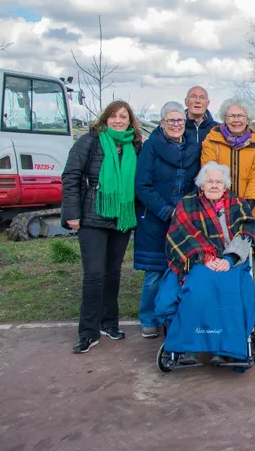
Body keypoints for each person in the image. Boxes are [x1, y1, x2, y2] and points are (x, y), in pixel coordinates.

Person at [163, 162, 255, 366]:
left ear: (225, 185)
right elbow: (181, 236)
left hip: (231, 262)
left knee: (230, 288)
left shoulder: (237, 203)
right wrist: (205, 258)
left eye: (219, 181)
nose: (215, 185)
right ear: (202, 184)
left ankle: (224, 348)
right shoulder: (188, 204)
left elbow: (247, 234)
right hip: (198, 262)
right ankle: (188, 346)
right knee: (197, 288)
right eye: (210, 181)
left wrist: (229, 259)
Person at [62, 100, 143, 354]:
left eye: (123, 116)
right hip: (93, 217)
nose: (118, 121)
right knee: (94, 274)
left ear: (131, 121)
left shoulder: (135, 146)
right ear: (105, 118)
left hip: (122, 219)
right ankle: (88, 332)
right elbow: (71, 176)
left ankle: (109, 323)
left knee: (113, 273)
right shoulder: (90, 141)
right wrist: (72, 214)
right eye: (114, 116)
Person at [133, 101, 201, 338]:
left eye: (179, 121)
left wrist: (188, 209)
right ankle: (149, 318)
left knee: (184, 268)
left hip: (185, 217)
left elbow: (197, 182)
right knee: (154, 270)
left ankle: (175, 315)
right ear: (162, 123)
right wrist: (166, 210)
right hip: (155, 217)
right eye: (170, 121)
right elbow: (142, 185)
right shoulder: (151, 148)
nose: (176, 125)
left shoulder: (193, 148)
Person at [201, 99, 255, 244]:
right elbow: (210, 172)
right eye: (231, 116)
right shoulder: (212, 140)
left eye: (240, 116)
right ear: (225, 118)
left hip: (251, 206)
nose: (236, 120)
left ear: (248, 118)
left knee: (251, 249)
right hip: (218, 205)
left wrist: (247, 205)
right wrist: (224, 202)